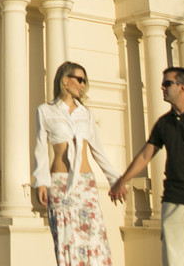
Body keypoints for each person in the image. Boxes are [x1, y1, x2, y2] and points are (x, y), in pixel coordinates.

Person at [109, 66, 184, 266]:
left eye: (167, 83)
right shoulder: (163, 123)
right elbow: (145, 155)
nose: (162, 88)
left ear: (182, 87)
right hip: (173, 202)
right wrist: (121, 181)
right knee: (173, 262)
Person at [33, 62, 120, 266]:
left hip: (86, 186)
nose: (82, 84)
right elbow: (39, 148)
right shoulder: (46, 111)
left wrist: (115, 180)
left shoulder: (86, 113)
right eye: (79, 79)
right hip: (60, 184)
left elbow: (98, 151)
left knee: (93, 238)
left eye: (84, 81)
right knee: (65, 238)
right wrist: (41, 182)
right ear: (65, 80)